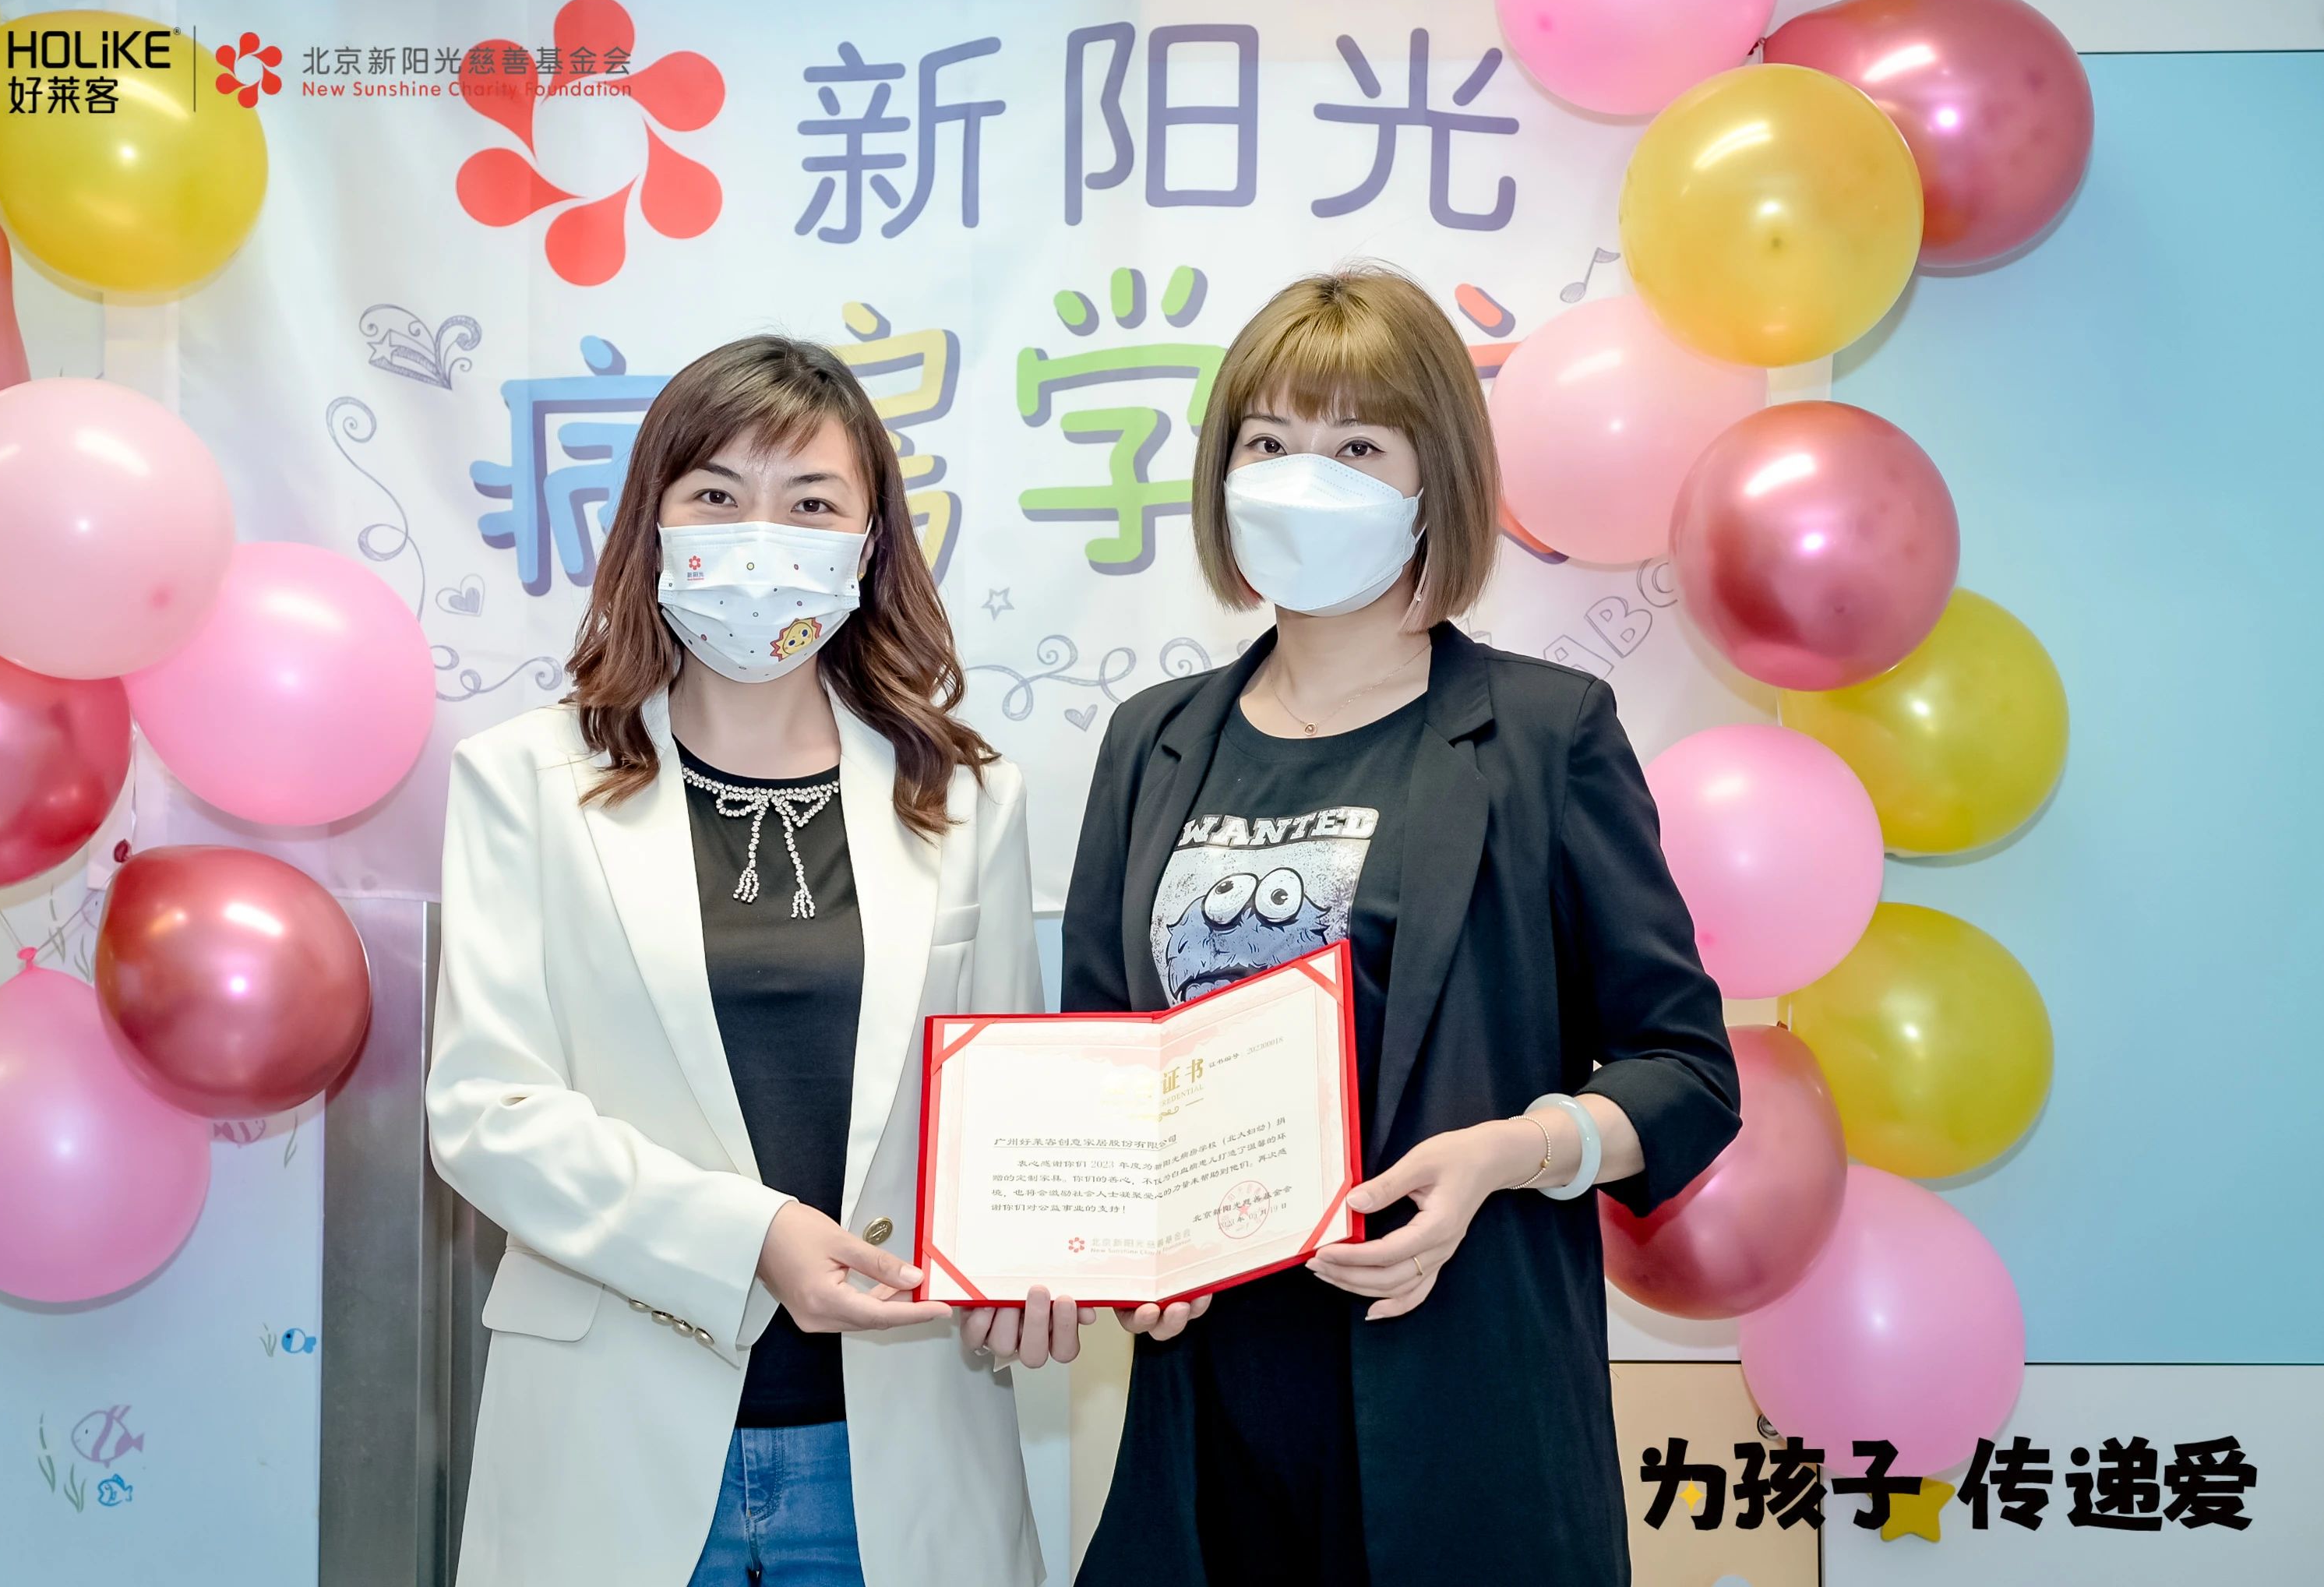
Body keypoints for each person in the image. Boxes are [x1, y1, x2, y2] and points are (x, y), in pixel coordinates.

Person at [1063, 268, 1742, 1586]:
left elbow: (1687, 1075)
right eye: (1269, 444)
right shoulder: (1153, 744)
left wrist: (1508, 1153)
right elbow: (1102, 1064)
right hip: (1210, 1417)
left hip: (1464, 1401)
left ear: (1436, 481)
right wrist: (1113, 1251)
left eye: (1359, 448)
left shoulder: (1544, 734)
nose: (1302, 481)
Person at [427, 335, 1081, 1587]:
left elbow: (1003, 1117)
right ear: (652, 526)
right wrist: (754, 1237)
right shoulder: (522, 781)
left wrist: (1035, 1260)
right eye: (717, 495)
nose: (761, 538)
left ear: (869, 545)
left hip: (899, 1449)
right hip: (609, 1441)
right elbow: (486, 1111)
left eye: (812, 505)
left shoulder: (965, 795)